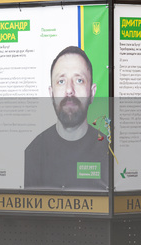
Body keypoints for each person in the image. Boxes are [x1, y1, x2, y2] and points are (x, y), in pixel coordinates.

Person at [24, 46, 108, 190]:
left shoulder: (108, 151)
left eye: (79, 80)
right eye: (61, 81)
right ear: (51, 93)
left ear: (92, 92)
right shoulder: (33, 153)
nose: (69, 90)